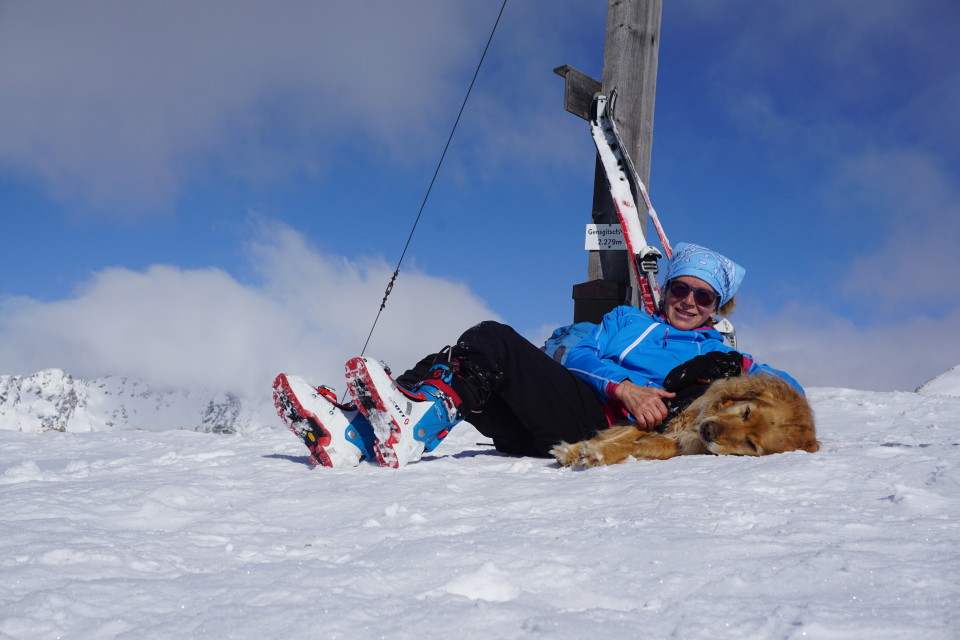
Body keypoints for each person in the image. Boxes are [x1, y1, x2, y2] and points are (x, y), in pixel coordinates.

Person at [273, 243, 802, 469]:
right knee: (463, 362)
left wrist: (739, 376)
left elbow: (788, 397)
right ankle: (354, 436)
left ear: (717, 307)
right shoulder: (625, 321)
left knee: (495, 340)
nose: (688, 301)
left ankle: (405, 428)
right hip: (568, 413)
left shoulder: (721, 354)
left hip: (604, 426)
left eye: (702, 296)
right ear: (663, 289)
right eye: (680, 289)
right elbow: (566, 348)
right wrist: (621, 385)